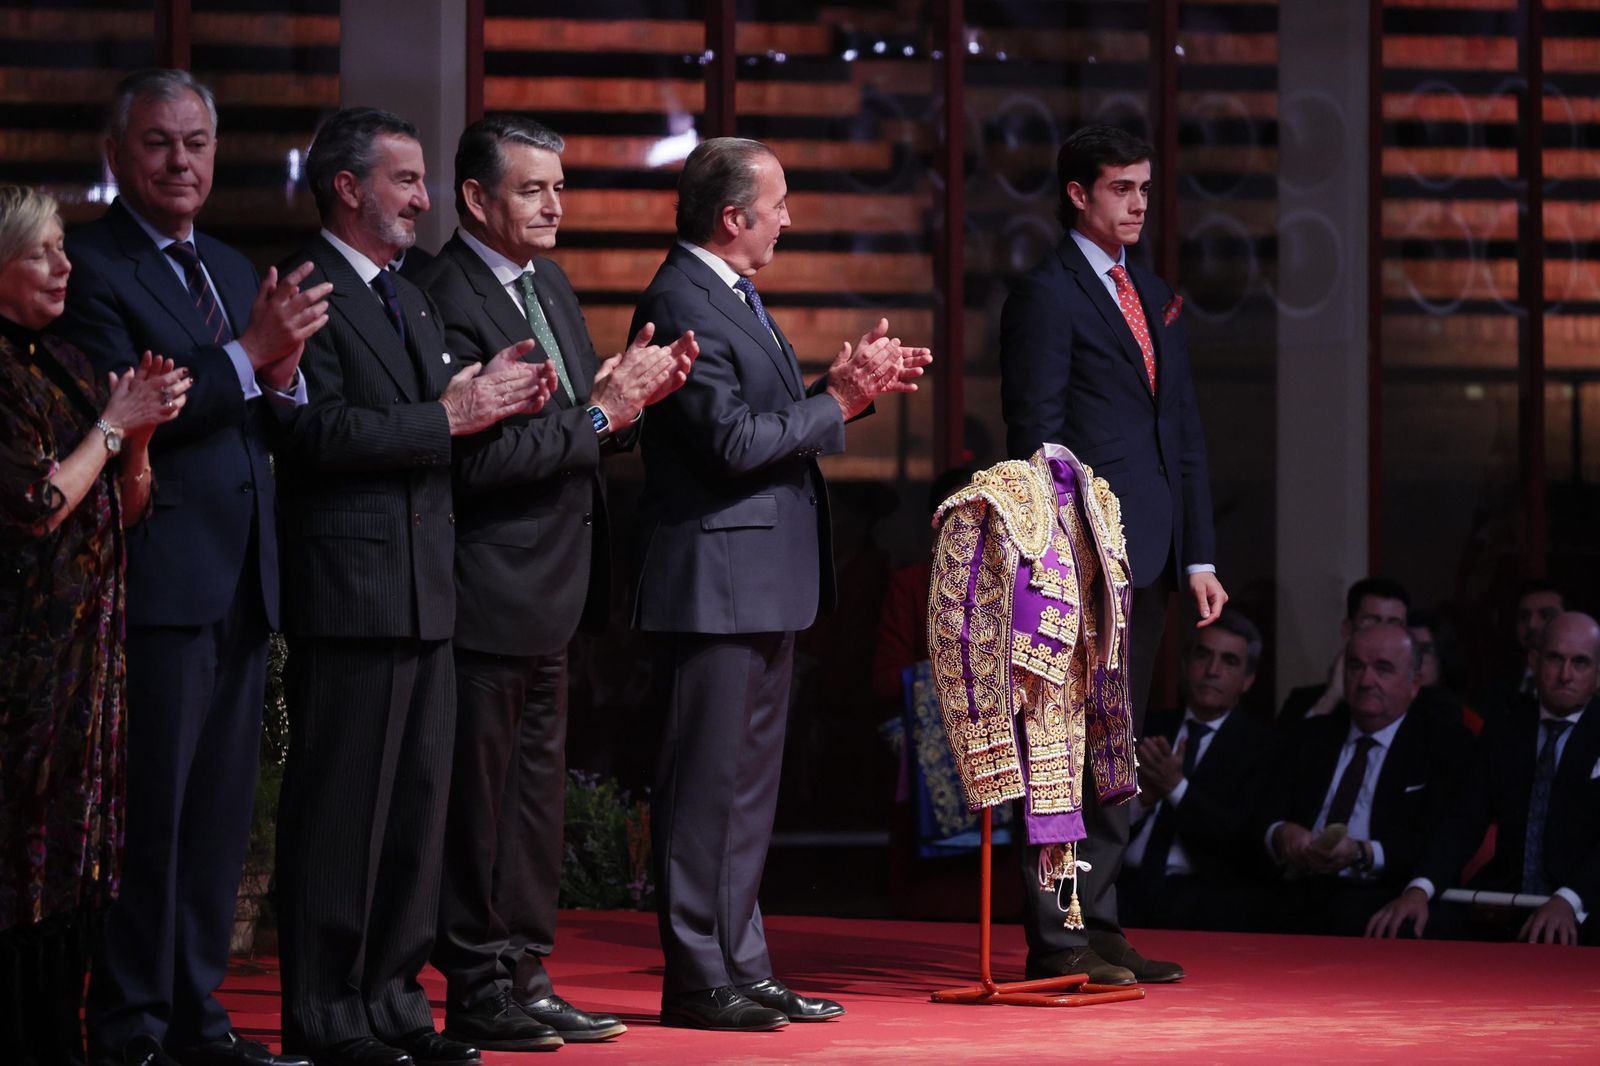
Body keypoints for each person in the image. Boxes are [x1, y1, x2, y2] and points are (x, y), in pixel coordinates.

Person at [54, 67, 329, 1066]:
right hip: (158, 578)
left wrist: (282, 376)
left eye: (197, 144)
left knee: (215, 825)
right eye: (161, 144)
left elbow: (254, 400)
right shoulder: (88, 268)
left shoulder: (222, 260)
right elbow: (140, 408)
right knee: (152, 823)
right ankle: (128, 1026)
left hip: (242, 575)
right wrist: (255, 359)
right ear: (118, 154)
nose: (182, 161)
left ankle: (197, 1020)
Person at [629, 137, 930, 1032]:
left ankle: (742, 965)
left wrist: (834, 387)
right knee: (704, 791)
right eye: (780, 203)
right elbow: (729, 441)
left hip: (758, 579)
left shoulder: (729, 295)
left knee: (747, 793)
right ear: (734, 218)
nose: (789, 219)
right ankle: (696, 977)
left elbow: (759, 419)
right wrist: (834, 404)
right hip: (713, 581)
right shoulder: (681, 298)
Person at [271, 107, 547, 1066]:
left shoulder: (407, 296)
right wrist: (448, 415)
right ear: (346, 187)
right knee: (344, 812)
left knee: (413, 812)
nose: (424, 199)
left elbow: (444, 415)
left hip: (431, 587)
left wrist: (496, 390)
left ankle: (393, 996)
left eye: (425, 181)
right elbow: (312, 435)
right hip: (352, 589)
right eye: (405, 181)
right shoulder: (307, 290)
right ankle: (326, 1008)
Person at [416, 115, 694, 1051]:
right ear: (475, 199)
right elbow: (473, 459)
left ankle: (526, 971)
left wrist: (629, 394)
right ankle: (477, 983)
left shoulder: (552, 286)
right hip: (484, 585)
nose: (554, 204)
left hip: (555, 587)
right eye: (532, 188)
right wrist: (604, 414)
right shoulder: (442, 294)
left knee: (532, 805)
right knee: (477, 804)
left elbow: (580, 422)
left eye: (559, 187)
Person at [998, 123, 1225, 985]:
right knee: (1058, 746)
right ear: (1078, 195)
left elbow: (1185, 435)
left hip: (1157, 552)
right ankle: (1057, 939)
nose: (1136, 203)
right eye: (1120, 188)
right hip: (1083, 553)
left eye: (1143, 187)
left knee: (1117, 747)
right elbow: (1036, 435)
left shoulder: (1152, 290)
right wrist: (1054, 553)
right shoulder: (1048, 294)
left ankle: (1099, 920)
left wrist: (1200, 554)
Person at [0, 184, 188, 1066]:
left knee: (76, 879)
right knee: (19, 873)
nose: (64, 265)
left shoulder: (70, 361)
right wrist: (115, 429)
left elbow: (126, 509)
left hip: (87, 672)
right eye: (42, 252)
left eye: (64, 248)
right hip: (23, 674)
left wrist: (139, 440)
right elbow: (36, 507)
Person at [1368, 611, 1600, 946]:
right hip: (1505, 899)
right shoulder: (1506, 728)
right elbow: (1465, 820)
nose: (1565, 675)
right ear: (1534, 661)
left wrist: (1568, 900)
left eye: (1580, 663)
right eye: (1554, 659)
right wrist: (1419, 888)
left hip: (1585, 903)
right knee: (1412, 925)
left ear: (1597, 673)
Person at [1260, 624, 1477, 936]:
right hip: (1300, 887)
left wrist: (1363, 853)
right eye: (1355, 666)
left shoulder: (1442, 746)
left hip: (1383, 889)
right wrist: (1280, 833)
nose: (1365, 680)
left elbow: (1442, 837)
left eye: (1383, 668)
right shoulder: (1310, 736)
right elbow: (1263, 814)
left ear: (1414, 683)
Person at [1119, 610, 1277, 932]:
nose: (1212, 671)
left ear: (1247, 680)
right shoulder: (1146, 726)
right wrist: (1143, 800)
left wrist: (1175, 787)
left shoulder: (1262, 747)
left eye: (1229, 661)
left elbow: (1241, 840)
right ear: (1185, 664)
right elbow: (1100, 820)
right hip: (1122, 886)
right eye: (1203, 655)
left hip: (1203, 897)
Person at [1278, 576, 1410, 724]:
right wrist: (1331, 699)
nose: (1382, 635)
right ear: (1348, 629)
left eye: (1393, 624)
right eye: (1371, 622)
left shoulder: (1425, 708)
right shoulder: (1302, 701)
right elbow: (1288, 746)